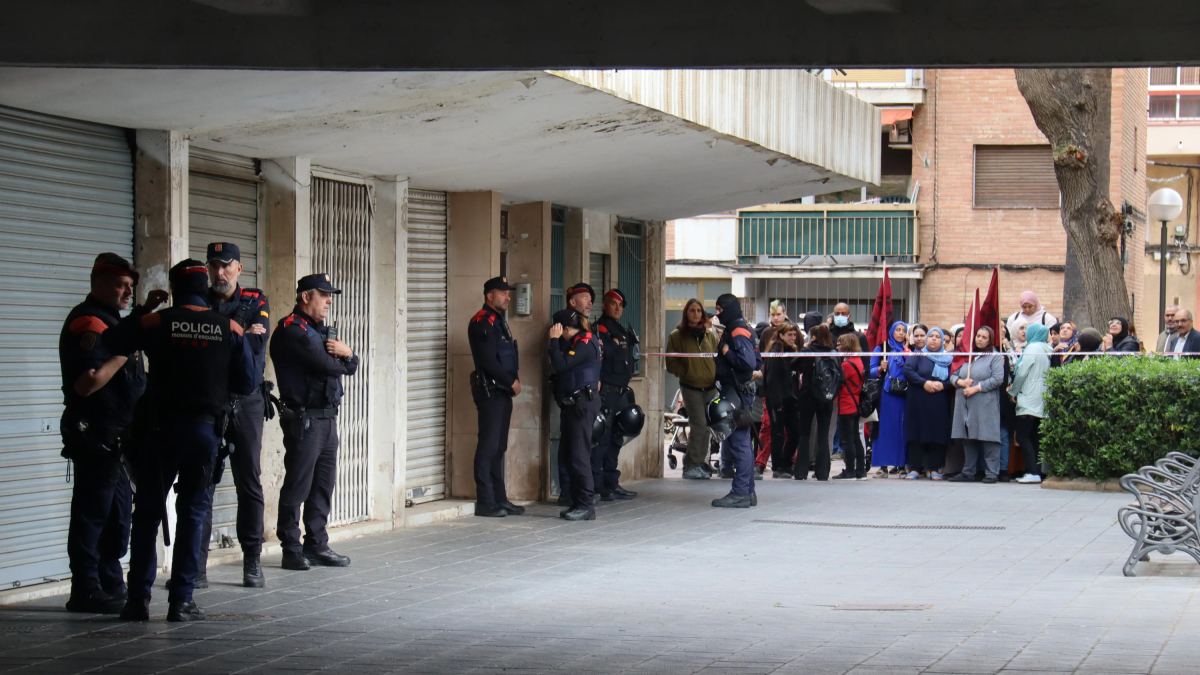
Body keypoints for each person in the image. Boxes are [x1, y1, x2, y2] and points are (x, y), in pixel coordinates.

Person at [108, 260, 254, 622]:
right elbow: (248, 380)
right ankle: (182, 602)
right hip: (205, 433)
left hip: (160, 432)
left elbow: (113, 341)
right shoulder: (230, 327)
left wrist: (144, 308)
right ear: (205, 287)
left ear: (173, 288)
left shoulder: (157, 322)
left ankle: (137, 600)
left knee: (147, 514)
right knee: (193, 512)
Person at [58, 254, 163, 614]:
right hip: (96, 436)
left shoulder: (111, 322)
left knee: (118, 517)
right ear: (98, 282)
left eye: (131, 287)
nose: (128, 293)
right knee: (92, 516)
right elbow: (88, 383)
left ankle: (109, 581)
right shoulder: (88, 323)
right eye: (121, 285)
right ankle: (85, 589)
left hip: (119, 438)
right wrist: (126, 349)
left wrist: (142, 314)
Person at [271, 273, 360, 570]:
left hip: (326, 420)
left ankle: (316, 544)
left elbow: (344, 366)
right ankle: (291, 547)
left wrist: (348, 358)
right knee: (298, 485)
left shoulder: (318, 331)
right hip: (304, 421)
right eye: (323, 295)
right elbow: (327, 365)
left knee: (323, 485)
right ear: (305, 296)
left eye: (330, 295)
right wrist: (347, 356)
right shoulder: (292, 330)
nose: (329, 301)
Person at [195, 242, 272, 589]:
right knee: (201, 483)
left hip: (246, 400)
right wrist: (238, 330)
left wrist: (217, 331)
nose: (220, 272)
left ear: (239, 268)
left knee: (249, 483)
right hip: (209, 400)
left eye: (226, 266)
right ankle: (195, 567)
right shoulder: (197, 299)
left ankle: (252, 562)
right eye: (214, 266)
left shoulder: (256, 300)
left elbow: (255, 347)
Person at [467, 277, 523, 518]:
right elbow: (488, 361)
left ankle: (499, 498)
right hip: (491, 391)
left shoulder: (499, 321)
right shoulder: (483, 321)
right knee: (488, 446)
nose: (508, 297)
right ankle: (485, 501)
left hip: (502, 391)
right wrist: (511, 381)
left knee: (499, 447)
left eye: (508, 294)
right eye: (503, 293)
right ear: (490, 296)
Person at [547, 308, 602, 521]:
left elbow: (560, 366)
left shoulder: (584, 343)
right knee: (570, 455)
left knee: (579, 456)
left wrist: (554, 341)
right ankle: (578, 501)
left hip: (582, 405)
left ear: (565, 329)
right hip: (575, 405)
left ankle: (587, 505)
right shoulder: (580, 341)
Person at [711, 294, 762, 507]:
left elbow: (748, 362)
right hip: (739, 392)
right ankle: (747, 492)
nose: (717, 314)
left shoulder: (738, 330)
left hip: (738, 394)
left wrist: (726, 351)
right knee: (742, 443)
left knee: (739, 443)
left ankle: (740, 492)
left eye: (720, 310)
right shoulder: (741, 328)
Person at [593, 288, 639, 501]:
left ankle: (611, 483)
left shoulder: (621, 330)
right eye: (613, 304)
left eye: (620, 305)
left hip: (621, 392)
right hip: (607, 391)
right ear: (604, 305)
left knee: (616, 439)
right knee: (601, 439)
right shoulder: (600, 329)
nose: (617, 308)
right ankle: (596, 485)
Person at [666, 299, 720, 480]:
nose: (696, 313)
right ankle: (690, 466)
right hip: (691, 387)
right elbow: (671, 363)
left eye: (699, 310)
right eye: (692, 310)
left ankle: (700, 463)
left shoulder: (710, 335)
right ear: (686, 313)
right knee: (699, 426)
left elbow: (717, 357)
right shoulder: (677, 335)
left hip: (710, 387)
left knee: (708, 428)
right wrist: (687, 372)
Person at [948, 327, 1005, 483]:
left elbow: (998, 379)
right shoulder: (967, 355)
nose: (979, 339)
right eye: (978, 336)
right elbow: (952, 374)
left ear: (990, 340)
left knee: (989, 438)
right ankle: (968, 472)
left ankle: (992, 473)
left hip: (985, 404)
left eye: (984, 337)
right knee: (968, 438)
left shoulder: (994, 356)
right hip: (965, 405)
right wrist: (960, 382)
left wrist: (976, 388)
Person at [903, 327, 953, 480]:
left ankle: (933, 468)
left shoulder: (948, 358)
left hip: (939, 401)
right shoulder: (918, 354)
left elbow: (955, 376)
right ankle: (915, 467)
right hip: (917, 400)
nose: (933, 339)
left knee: (937, 434)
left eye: (938, 337)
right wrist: (924, 383)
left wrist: (943, 385)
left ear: (943, 341)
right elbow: (908, 371)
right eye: (931, 336)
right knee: (916, 433)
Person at [1009, 323, 1052, 484]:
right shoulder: (1048, 349)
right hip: (1043, 396)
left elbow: (1021, 373)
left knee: (1023, 435)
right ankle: (1039, 471)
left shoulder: (1032, 348)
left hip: (1029, 395)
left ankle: (1032, 471)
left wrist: (1013, 391)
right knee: (1036, 437)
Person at [793, 324, 836, 481]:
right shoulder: (833, 352)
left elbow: (793, 365)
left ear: (813, 337)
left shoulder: (807, 351)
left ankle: (800, 471)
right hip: (826, 397)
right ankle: (822, 472)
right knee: (823, 435)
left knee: (805, 434)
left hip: (808, 395)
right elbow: (841, 376)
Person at [870, 321, 909, 476]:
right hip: (886, 395)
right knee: (885, 428)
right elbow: (870, 371)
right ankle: (883, 465)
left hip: (904, 394)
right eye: (897, 330)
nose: (900, 333)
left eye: (903, 330)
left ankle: (901, 464)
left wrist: (907, 353)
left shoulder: (909, 350)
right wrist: (880, 367)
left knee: (902, 429)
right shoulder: (881, 349)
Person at [762, 322, 801, 478]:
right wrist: (777, 402)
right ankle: (778, 467)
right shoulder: (775, 354)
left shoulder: (792, 351)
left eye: (794, 335)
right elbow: (772, 380)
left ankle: (786, 463)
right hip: (777, 399)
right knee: (777, 433)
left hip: (791, 399)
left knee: (795, 433)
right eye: (789, 335)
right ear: (781, 336)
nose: (793, 338)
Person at [834, 334, 867, 480]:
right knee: (856, 439)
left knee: (847, 440)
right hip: (855, 403)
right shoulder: (858, 361)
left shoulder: (846, 365)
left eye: (840, 344)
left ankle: (850, 470)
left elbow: (838, 382)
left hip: (846, 404)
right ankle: (861, 470)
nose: (837, 347)